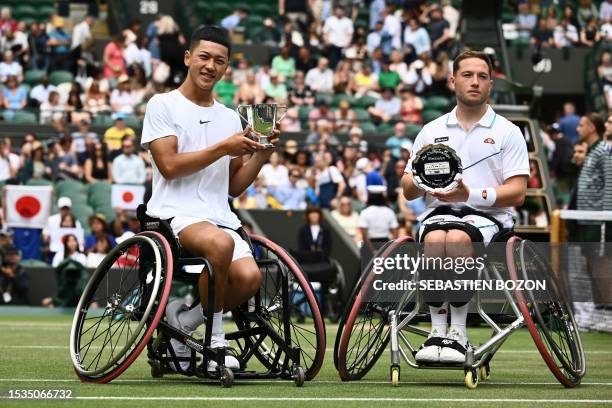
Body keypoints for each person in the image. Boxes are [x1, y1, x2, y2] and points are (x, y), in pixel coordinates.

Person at [141, 26, 273, 372]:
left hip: (219, 216)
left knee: (249, 278)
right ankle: (216, 341)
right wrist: (222, 148)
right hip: (173, 215)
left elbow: (232, 187)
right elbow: (168, 166)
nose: (210, 66)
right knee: (219, 245)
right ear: (188, 58)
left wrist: (262, 154)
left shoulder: (231, 117)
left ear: (226, 68)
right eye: (204, 57)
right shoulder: (162, 104)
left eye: (219, 61)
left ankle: (183, 322)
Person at [400, 50, 529, 364]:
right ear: (452, 81)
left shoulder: (508, 132)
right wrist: (427, 180)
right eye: (468, 75)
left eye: (482, 76)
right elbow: (407, 190)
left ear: (490, 84)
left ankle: (458, 333)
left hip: (489, 219)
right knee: (434, 239)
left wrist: (469, 194)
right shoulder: (431, 131)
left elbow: (518, 193)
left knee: (456, 239)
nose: (475, 82)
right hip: (438, 214)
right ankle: (436, 330)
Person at [358, 185, 399, 252]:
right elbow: (395, 231)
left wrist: (372, 250)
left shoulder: (365, 212)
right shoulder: (389, 211)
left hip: (370, 244)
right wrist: (390, 249)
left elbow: (364, 235)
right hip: (386, 244)